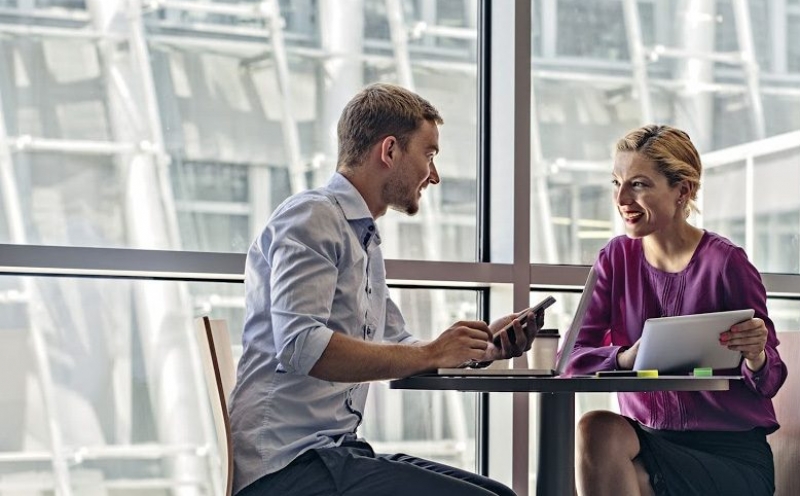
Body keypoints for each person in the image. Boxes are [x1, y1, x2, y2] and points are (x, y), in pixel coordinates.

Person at [228, 83, 538, 496]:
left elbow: (398, 344)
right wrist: (431, 352)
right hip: (287, 468)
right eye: (428, 155)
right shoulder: (313, 218)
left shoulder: (361, 238)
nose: (434, 175)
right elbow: (301, 345)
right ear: (389, 151)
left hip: (333, 454)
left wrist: (481, 349)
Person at [565, 124, 788, 496]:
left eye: (639, 184)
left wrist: (756, 356)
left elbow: (770, 381)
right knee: (596, 428)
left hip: (730, 457)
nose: (621, 197)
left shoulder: (726, 263)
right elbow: (569, 359)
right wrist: (624, 358)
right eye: (616, 182)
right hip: (650, 444)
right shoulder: (615, 259)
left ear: (682, 190)